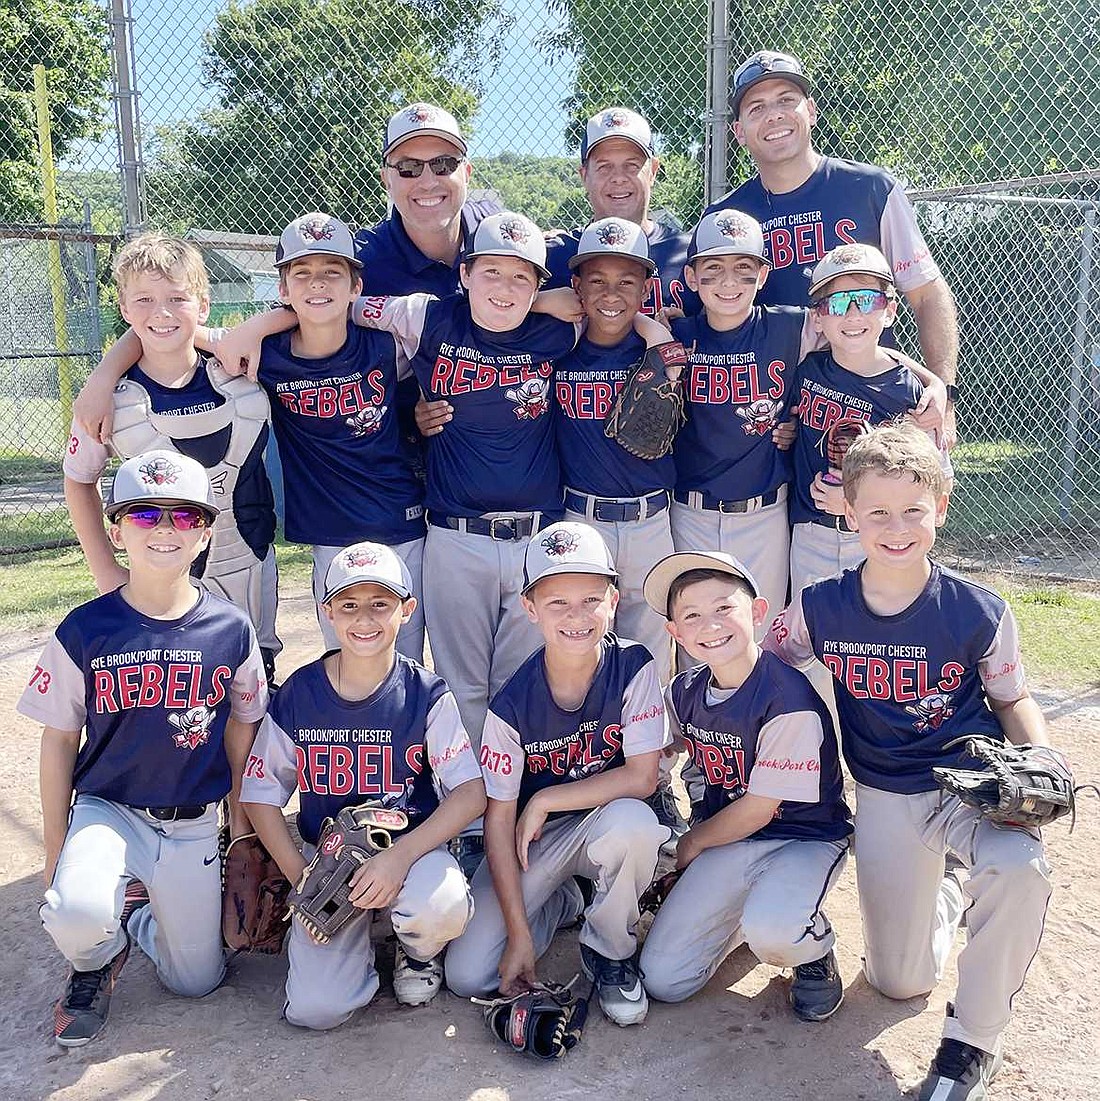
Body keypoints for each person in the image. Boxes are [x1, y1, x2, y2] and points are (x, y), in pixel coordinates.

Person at [765, 421, 1059, 1101]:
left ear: (942, 509)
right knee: (900, 981)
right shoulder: (820, 605)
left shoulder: (977, 610)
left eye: (913, 511)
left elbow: (1014, 699)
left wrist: (1038, 754)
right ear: (847, 510)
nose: (896, 527)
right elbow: (766, 666)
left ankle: (972, 1046)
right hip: (886, 795)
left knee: (1020, 868)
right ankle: (948, 889)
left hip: (968, 787)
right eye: (877, 512)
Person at [19, 450, 268, 1046]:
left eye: (183, 517)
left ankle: (134, 920)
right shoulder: (86, 628)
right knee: (74, 911)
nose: (164, 530)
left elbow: (242, 729)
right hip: (109, 809)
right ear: (116, 528)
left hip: (191, 823)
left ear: (205, 530)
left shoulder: (230, 628)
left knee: (196, 981)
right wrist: (56, 852)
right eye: (144, 515)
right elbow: (58, 742)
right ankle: (95, 959)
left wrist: (242, 829)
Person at [240, 541, 485, 1028]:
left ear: (407, 610)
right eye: (349, 605)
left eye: (381, 604)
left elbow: (470, 792)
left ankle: (416, 950)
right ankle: (363, 939)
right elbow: (261, 794)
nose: (365, 619)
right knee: (317, 1011)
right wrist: (298, 875)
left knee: (441, 905)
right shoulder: (300, 693)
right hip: (327, 861)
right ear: (327, 611)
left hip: (407, 851)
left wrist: (400, 857)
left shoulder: (426, 693)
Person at [444, 521, 670, 1028]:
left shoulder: (634, 666)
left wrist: (548, 799)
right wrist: (520, 936)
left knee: (634, 823)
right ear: (529, 609)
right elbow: (500, 823)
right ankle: (565, 900)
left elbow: (642, 778)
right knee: (469, 975)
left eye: (591, 599)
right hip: (536, 842)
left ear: (614, 601)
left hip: (603, 823)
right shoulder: (511, 705)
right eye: (557, 603)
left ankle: (610, 950)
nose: (576, 617)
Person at [637, 551, 851, 1021]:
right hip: (733, 840)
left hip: (804, 838)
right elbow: (652, 754)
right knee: (665, 980)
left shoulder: (786, 698)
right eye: (691, 615)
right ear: (675, 634)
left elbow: (758, 810)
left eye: (723, 608)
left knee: (775, 932)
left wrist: (689, 844)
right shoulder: (684, 691)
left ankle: (811, 947)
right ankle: (750, 915)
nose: (709, 624)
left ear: (757, 613)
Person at [708, 50, 959, 445]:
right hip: (777, 421)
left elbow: (927, 293)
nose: (774, 115)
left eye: (786, 100)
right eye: (756, 107)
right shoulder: (726, 217)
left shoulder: (870, 188)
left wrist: (944, 393)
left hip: (877, 410)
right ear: (739, 131)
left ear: (810, 110)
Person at [62, 234, 280, 678]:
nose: (160, 313)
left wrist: (251, 328)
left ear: (203, 305)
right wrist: (106, 571)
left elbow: (308, 311)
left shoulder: (241, 365)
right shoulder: (111, 401)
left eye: (177, 298)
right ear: (123, 309)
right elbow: (79, 479)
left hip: (250, 569)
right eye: (143, 299)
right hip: (163, 585)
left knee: (255, 698)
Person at [669, 208, 820, 623]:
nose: (729, 282)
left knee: (760, 632)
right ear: (691, 278)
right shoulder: (679, 336)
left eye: (744, 269)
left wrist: (933, 383)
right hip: (691, 513)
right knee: (696, 639)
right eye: (713, 270)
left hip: (765, 513)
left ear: (764, 275)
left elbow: (858, 340)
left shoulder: (790, 327)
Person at [788, 242, 952, 598]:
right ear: (817, 317)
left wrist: (854, 502)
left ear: (890, 310)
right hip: (809, 532)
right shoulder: (808, 369)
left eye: (866, 301)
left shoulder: (911, 392)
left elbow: (934, 477)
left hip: (874, 537)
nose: (852, 315)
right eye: (835, 304)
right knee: (812, 631)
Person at [555, 216, 677, 670]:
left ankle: (649, 742)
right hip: (582, 517)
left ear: (647, 287)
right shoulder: (557, 348)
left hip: (651, 520)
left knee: (649, 652)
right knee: (582, 648)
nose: (611, 294)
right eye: (597, 281)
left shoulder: (663, 351)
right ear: (577, 287)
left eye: (627, 281)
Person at [544, 106, 699, 319]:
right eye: (604, 167)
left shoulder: (690, 253)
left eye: (632, 165)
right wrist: (537, 302)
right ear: (584, 176)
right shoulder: (556, 256)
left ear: (652, 171)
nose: (618, 178)